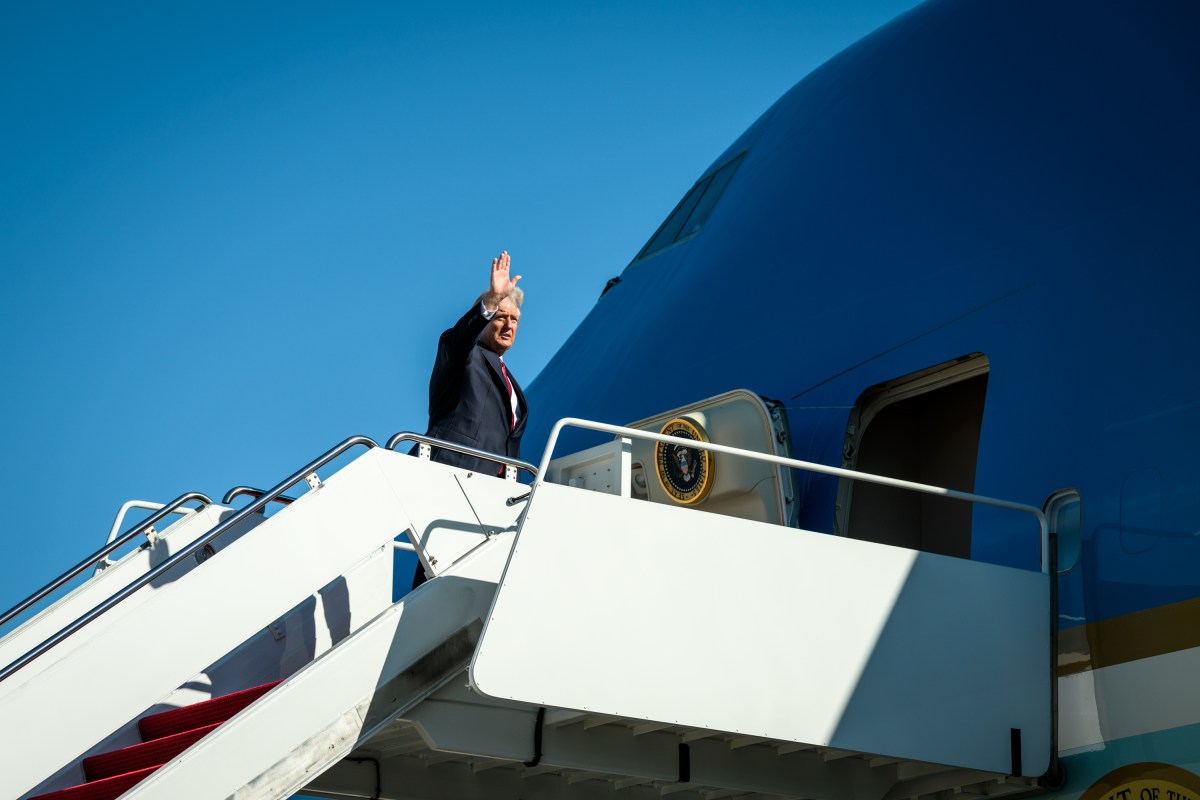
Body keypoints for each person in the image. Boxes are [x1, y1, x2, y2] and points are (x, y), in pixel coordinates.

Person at [422, 250, 528, 475]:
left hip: (493, 489)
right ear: (485, 321)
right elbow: (458, 340)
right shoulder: (465, 355)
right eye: (501, 317)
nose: (509, 326)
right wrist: (491, 301)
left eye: (514, 320)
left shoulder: (512, 385)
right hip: (450, 472)